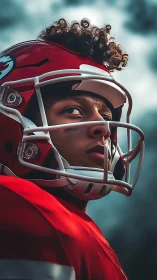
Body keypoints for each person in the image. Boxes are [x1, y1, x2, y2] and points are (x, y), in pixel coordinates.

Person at [0, 18, 144, 279]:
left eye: (106, 115)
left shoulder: (75, 225)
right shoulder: (21, 210)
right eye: (74, 110)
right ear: (10, 120)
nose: (103, 128)